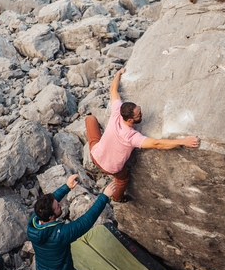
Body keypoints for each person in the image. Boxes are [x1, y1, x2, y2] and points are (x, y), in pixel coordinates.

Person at [85, 68, 200, 202]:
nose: (142, 114)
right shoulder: (132, 137)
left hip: (95, 154)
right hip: (111, 168)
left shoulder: (117, 112)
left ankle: (87, 120)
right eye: (138, 115)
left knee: (90, 119)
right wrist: (183, 141)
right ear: (130, 120)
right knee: (123, 180)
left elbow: (113, 90)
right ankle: (117, 198)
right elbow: (158, 144)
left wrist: (118, 74)